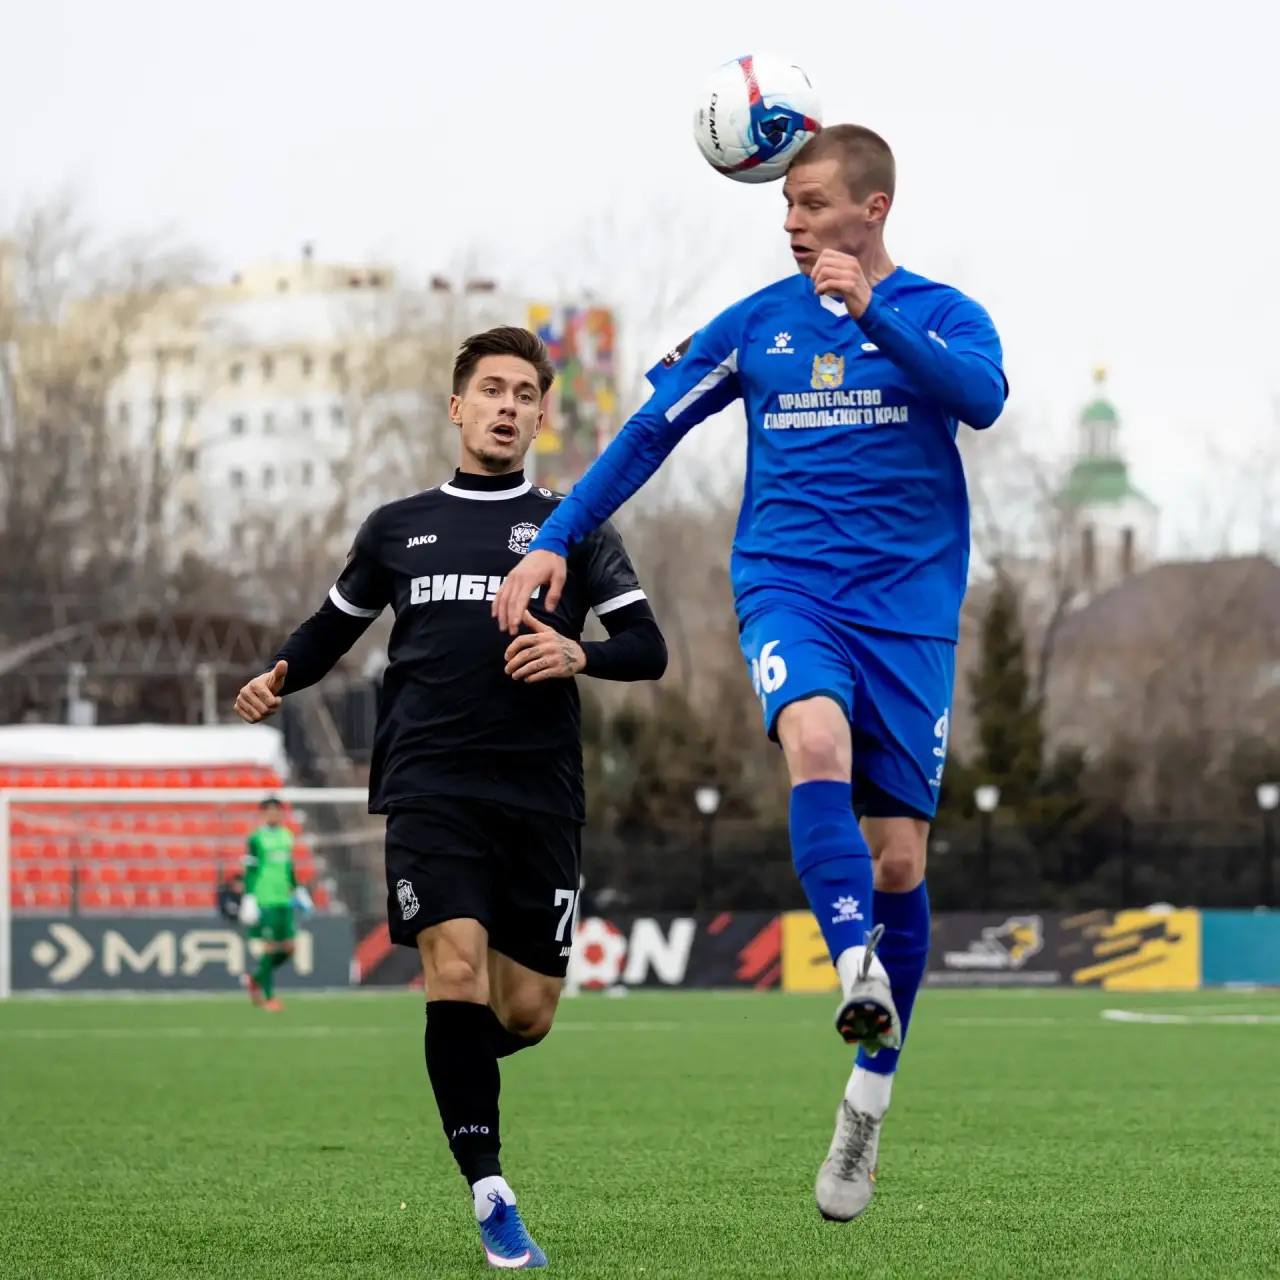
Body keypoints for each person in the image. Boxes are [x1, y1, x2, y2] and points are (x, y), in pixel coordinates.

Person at [494, 125, 1007, 1222]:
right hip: (789, 588)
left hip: (908, 615)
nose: (790, 222)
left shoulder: (942, 312)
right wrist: (553, 537)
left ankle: (866, 1099)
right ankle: (852, 965)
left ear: (870, 208)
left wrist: (871, 312)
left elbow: (980, 398)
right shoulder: (757, 326)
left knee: (902, 857)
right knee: (810, 739)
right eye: (783, 208)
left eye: (811, 205)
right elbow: (646, 432)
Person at [233, 325, 666, 1270]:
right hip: (430, 783)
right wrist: (279, 675)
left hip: (540, 796)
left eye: (526, 395)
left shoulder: (576, 526)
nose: (509, 407)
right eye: (494, 390)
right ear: (457, 406)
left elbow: (650, 648)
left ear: (542, 416)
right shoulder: (397, 527)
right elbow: (332, 627)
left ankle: (452, 1061)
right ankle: (492, 1193)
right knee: (456, 974)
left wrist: (576, 651)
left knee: (524, 1015)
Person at [238, 796, 312, 1011]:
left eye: (277, 811)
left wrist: (297, 890)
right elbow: (251, 870)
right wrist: (249, 898)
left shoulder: (287, 836)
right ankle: (268, 997)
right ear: (262, 814)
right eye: (269, 811)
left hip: (284, 900)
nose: (273, 815)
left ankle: (255, 978)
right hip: (264, 899)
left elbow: (288, 867)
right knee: (269, 948)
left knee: (290, 948)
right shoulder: (256, 839)